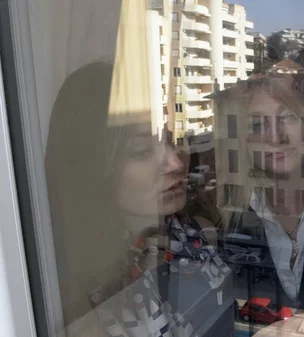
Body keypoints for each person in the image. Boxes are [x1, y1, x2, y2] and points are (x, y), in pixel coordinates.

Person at [46, 61, 234, 337]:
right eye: (142, 151)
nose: (175, 162)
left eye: (174, 139)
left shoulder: (199, 234)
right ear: (92, 164)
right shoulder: (65, 289)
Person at [215, 70, 304, 311]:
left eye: (289, 117)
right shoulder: (233, 221)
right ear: (243, 142)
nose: (276, 137)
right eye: (257, 124)